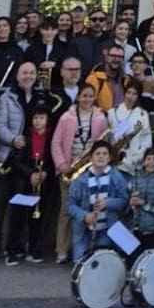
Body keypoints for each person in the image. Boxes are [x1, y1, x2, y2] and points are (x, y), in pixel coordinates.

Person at [0, 62, 39, 261]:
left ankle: (15, 246)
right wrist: (12, 139)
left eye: (32, 72)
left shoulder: (39, 98)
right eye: (25, 73)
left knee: (20, 205)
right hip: (7, 157)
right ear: (17, 76)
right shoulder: (7, 98)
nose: (28, 76)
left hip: (26, 161)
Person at [53, 82, 109, 263]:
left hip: (89, 170)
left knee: (87, 210)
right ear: (78, 97)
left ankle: (83, 249)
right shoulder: (66, 117)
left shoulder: (101, 118)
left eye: (90, 96)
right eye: (84, 96)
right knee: (66, 211)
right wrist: (63, 166)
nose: (87, 99)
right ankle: (62, 249)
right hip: (69, 169)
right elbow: (56, 143)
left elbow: (104, 143)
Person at [5, 104, 56, 266]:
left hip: (43, 180)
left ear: (47, 120)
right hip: (24, 181)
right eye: (35, 118)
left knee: (37, 217)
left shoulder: (52, 137)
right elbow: (16, 160)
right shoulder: (24, 136)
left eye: (41, 118)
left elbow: (52, 158)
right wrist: (30, 174)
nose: (38, 121)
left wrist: (45, 173)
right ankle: (13, 250)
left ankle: (34, 249)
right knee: (17, 217)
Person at [66, 140, 128, 262]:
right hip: (85, 229)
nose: (101, 156)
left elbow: (124, 201)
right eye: (97, 153)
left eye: (105, 154)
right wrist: (84, 215)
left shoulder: (117, 177)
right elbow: (70, 205)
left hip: (108, 227)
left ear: (110, 158)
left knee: (103, 259)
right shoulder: (80, 180)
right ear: (91, 157)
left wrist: (108, 202)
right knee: (80, 263)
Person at [127, 147, 154, 255]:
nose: (151, 162)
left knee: (149, 264)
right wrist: (130, 203)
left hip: (153, 231)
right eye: (148, 159)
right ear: (144, 161)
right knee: (131, 262)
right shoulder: (134, 176)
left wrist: (143, 203)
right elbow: (125, 204)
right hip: (133, 229)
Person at [108, 83, 153, 177]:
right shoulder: (112, 112)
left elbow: (147, 140)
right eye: (128, 92)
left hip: (134, 163)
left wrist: (137, 157)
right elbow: (109, 137)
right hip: (115, 162)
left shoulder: (143, 115)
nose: (130, 96)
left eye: (134, 94)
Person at [84, 45, 127, 112]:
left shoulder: (125, 80)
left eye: (120, 57)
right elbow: (86, 103)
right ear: (106, 57)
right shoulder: (95, 79)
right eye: (113, 56)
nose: (116, 59)